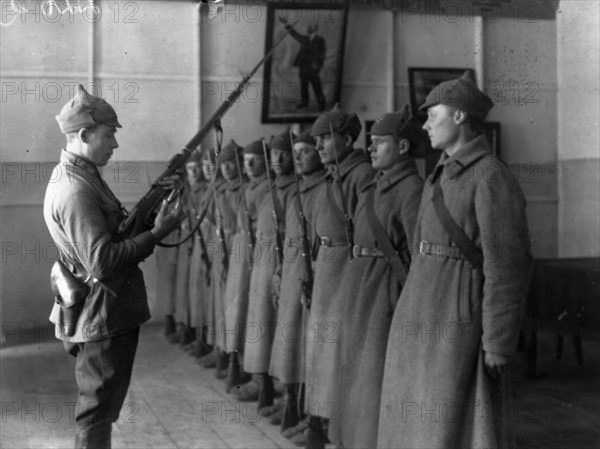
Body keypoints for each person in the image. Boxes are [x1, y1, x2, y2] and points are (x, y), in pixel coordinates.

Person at [378, 71, 532, 448]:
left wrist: (497, 340)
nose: (426, 125)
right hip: (422, 312)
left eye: (434, 115)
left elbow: (508, 266)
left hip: (456, 318)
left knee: (450, 424)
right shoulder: (441, 173)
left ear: (460, 116)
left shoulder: (490, 176)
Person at [44, 84, 183, 448]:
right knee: (96, 413)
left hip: (104, 311)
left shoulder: (83, 175)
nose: (115, 144)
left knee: (100, 410)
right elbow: (103, 262)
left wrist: (153, 207)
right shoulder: (75, 189)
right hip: (101, 315)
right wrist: (158, 233)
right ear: (85, 134)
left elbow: (115, 235)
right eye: (109, 135)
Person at [337, 106, 426, 449]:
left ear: (402, 148)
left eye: (379, 143)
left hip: (385, 290)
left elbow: (417, 252)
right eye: (370, 142)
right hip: (360, 285)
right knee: (356, 369)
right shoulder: (374, 187)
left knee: (375, 373)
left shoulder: (410, 189)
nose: (370, 148)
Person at [304, 104, 376, 448]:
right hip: (328, 266)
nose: (318, 147)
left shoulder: (361, 174)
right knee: (321, 349)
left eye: (325, 140)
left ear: (347, 139)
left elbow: (364, 230)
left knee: (338, 351)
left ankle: (337, 429)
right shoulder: (331, 175)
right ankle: (318, 423)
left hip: (347, 266)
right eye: (315, 140)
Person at [269, 132, 326, 438]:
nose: (300, 157)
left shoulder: (323, 188)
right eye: (297, 151)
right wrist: (279, 270)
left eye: (306, 151)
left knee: (309, 348)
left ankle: (312, 418)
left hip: (309, 275)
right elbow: (287, 236)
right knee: (291, 345)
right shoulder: (297, 190)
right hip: (291, 271)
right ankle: (293, 404)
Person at [223, 139, 270, 392]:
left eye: (255, 160)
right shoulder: (250, 188)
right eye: (245, 161)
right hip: (244, 250)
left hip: (261, 254)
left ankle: (260, 377)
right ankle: (241, 363)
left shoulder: (266, 189)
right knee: (240, 309)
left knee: (256, 314)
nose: (248, 165)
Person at [280, 17, 327, 111]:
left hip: (313, 68)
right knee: (303, 86)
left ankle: (322, 104)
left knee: (316, 86)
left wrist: (318, 65)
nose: (308, 28)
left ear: (315, 28)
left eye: (310, 27)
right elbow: (295, 34)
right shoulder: (305, 39)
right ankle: (304, 102)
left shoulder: (320, 40)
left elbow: (322, 53)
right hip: (303, 67)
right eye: (309, 27)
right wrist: (287, 24)